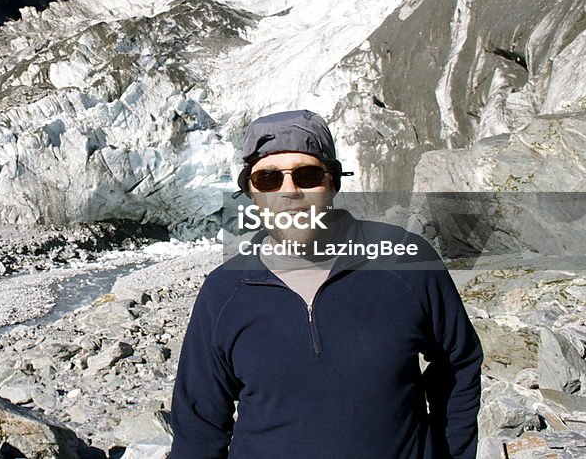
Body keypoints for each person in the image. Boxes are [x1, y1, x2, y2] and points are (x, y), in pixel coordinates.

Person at [169, 110, 482, 459]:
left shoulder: (405, 264)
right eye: (268, 180)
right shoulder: (223, 293)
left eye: (307, 175)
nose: (289, 192)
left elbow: (459, 360)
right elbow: (199, 427)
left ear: (332, 181)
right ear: (252, 193)